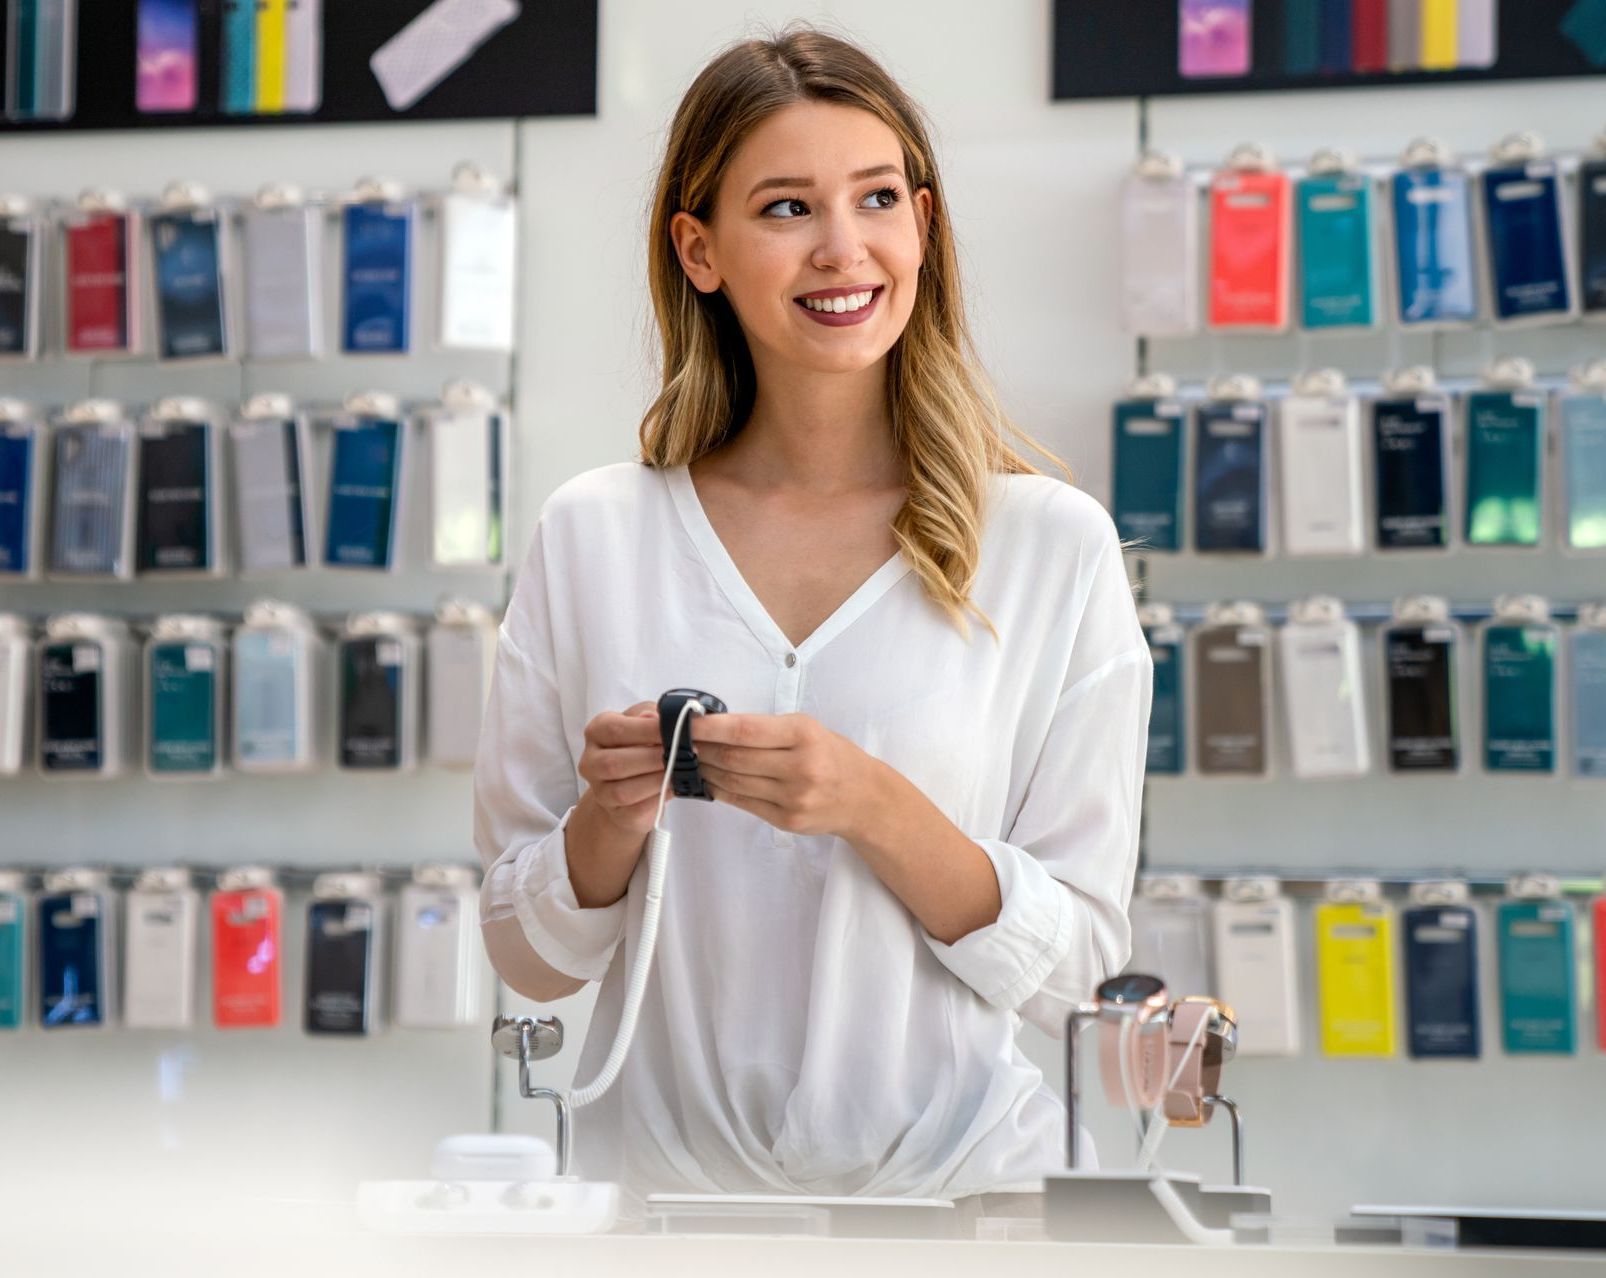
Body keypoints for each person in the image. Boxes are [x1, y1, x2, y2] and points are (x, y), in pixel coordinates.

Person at [473, 24, 1152, 1226]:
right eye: (786, 207)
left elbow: (1086, 975)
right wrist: (609, 821)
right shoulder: (594, 534)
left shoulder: (1050, 547)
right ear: (699, 250)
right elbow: (528, 960)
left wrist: (873, 808)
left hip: (960, 1218)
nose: (844, 248)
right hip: (657, 1223)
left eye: (877, 197)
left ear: (924, 227)